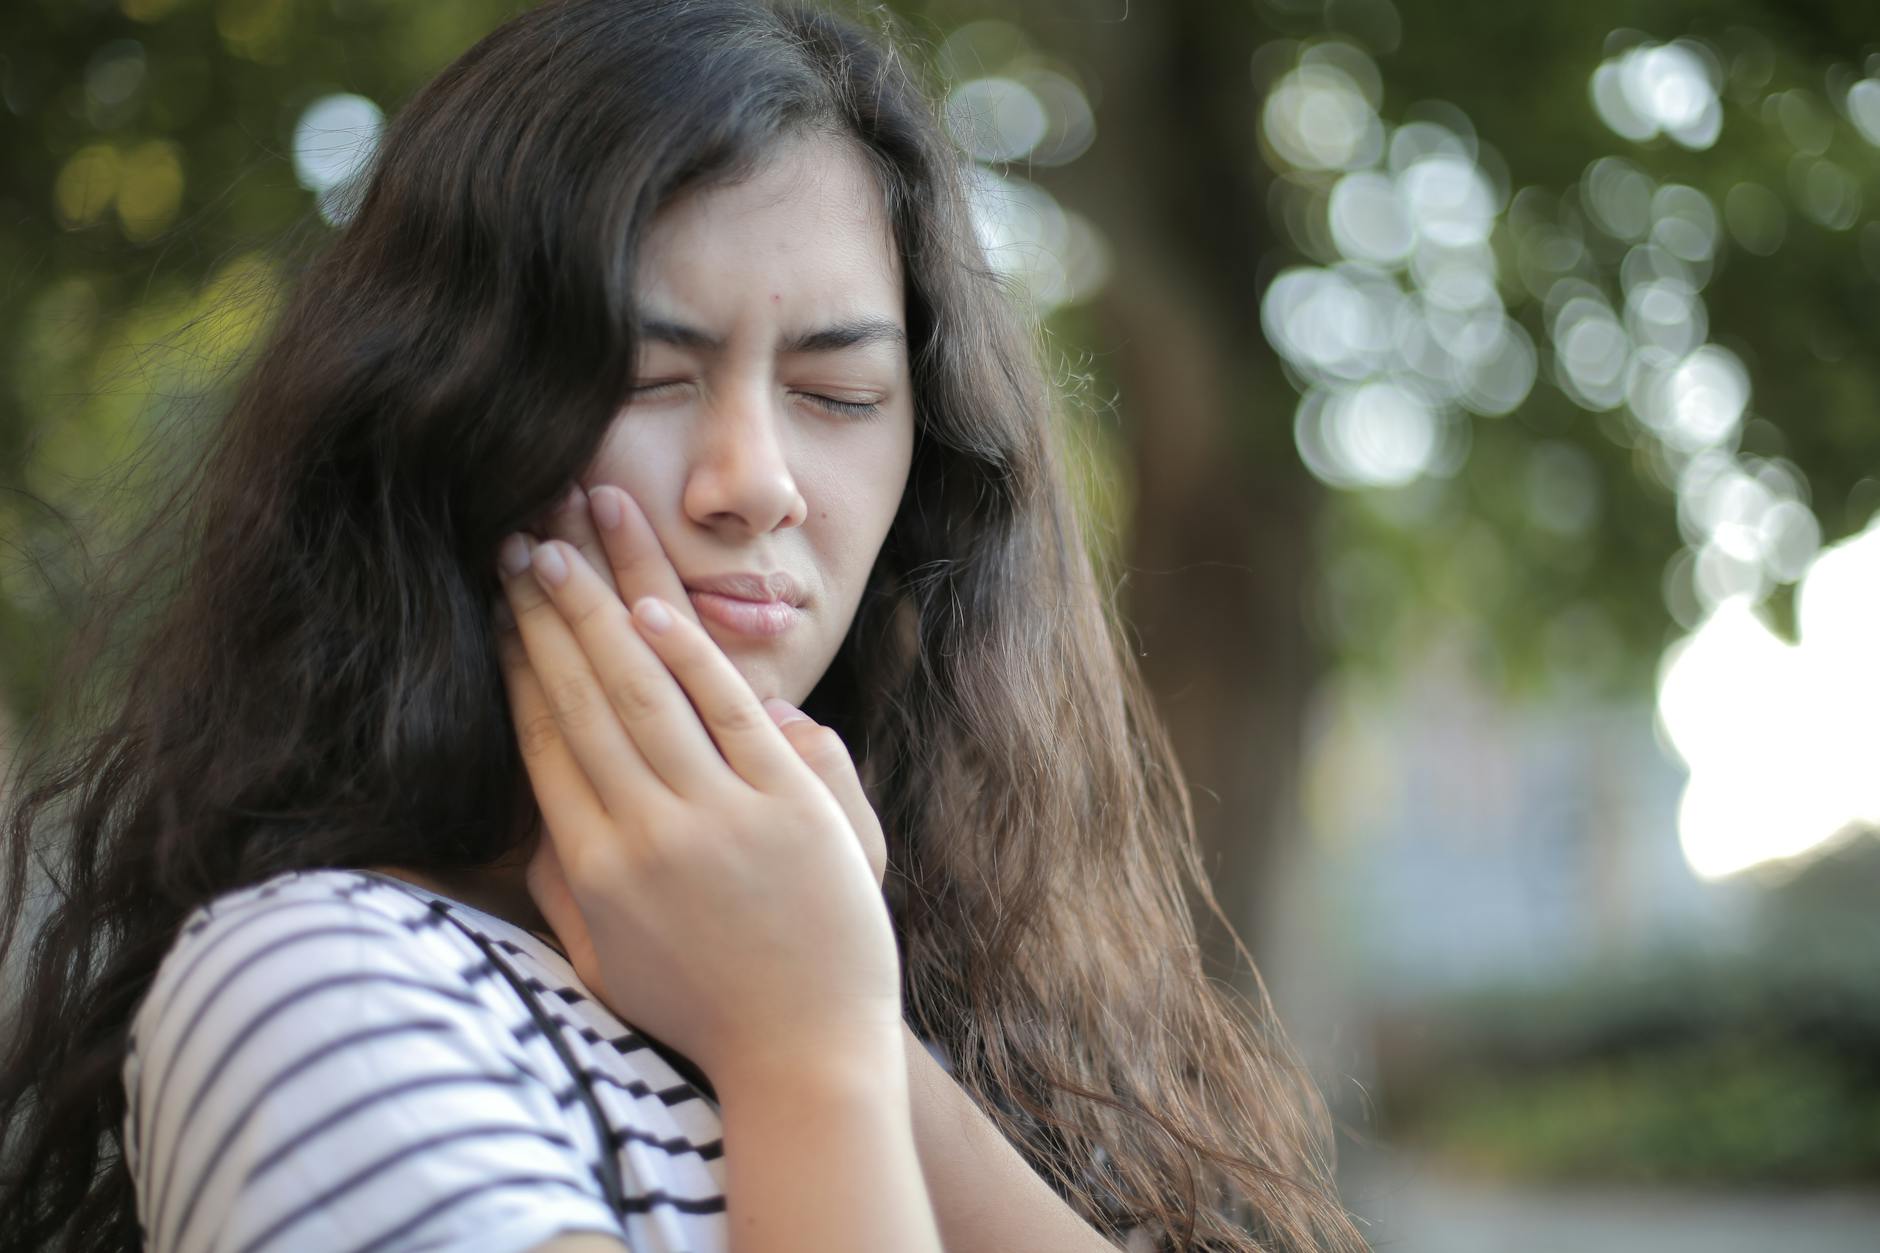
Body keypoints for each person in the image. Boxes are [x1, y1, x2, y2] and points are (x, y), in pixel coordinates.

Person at [0, 1, 1366, 1249]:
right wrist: (796, 1052)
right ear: (440, 419)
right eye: (651, 373)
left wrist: (852, 1020)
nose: (755, 481)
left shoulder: (906, 998)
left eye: (838, 395)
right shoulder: (320, 992)